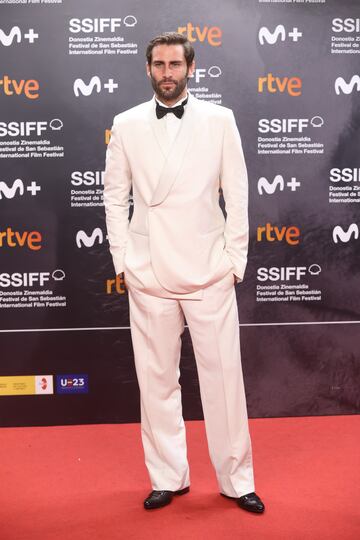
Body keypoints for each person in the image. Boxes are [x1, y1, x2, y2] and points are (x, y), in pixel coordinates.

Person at [104, 32, 265, 514]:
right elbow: (114, 196)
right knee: (156, 379)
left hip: (209, 271)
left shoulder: (220, 121)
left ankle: (237, 479)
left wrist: (235, 261)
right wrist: (124, 261)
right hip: (150, 272)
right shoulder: (127, 123)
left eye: (176, 63)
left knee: (224, 380)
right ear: (148, 69)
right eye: (159, 64)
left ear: (191, 67)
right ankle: (166, 476)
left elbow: (236, 194)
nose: (167, 72)